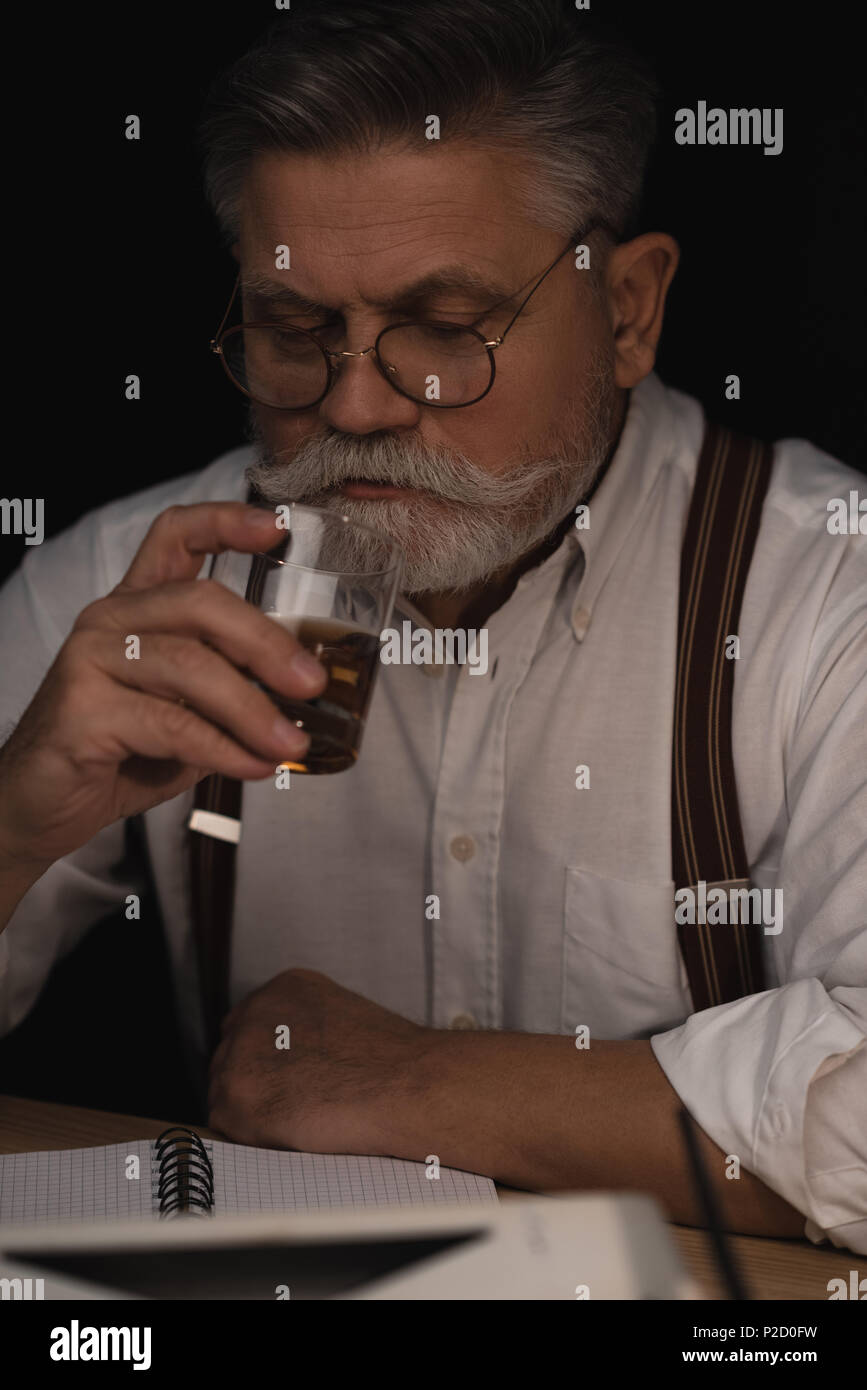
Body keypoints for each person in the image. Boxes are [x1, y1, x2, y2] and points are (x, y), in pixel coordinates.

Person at [0, 0, 864, 1252]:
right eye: (297, 332)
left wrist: (413, 1084)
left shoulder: (826, 593)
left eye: (447, 332)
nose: (354, 401)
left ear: (628, 310)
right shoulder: (127, 583)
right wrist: (16, 820)